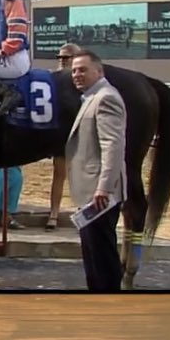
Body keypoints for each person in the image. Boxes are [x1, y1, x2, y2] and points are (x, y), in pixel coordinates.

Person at [66, 49, 127, 292]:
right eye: (74, 71)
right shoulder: (91, 97)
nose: (77, 75)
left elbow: (112, 146)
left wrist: (103, 187)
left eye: (83, 70)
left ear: (99, 71)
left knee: (101, 256)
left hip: (99, 194)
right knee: (93, 255)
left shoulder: (106, 98)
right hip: (90, 191)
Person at [47, 43, 82, 230]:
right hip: (62, 135)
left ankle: (82, 212)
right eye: (60, 58)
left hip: (81, 137)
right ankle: (53, 214)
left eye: (65, 58)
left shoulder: (84, 81)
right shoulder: (53, 78)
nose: (61, 61)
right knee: (59, 175)